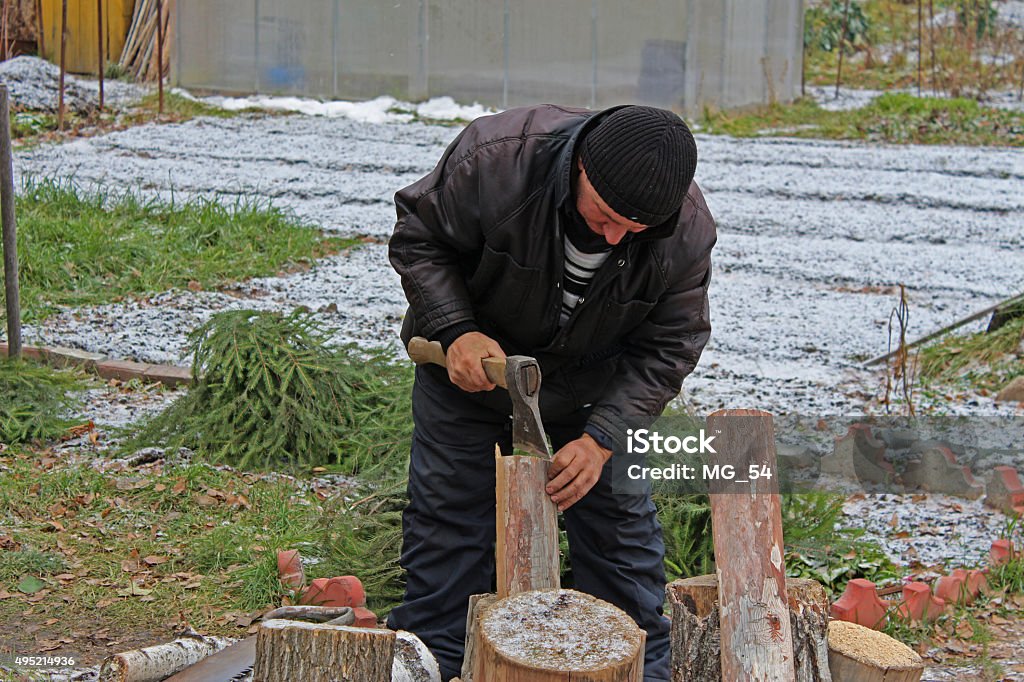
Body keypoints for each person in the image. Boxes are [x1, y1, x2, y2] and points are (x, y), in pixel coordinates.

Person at [386, 103, 716, 682]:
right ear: (582, 166)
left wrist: (605, 439)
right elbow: (420, 239)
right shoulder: (495, 162)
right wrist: (454, 328)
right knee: (449, 529)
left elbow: (671, 345)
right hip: (473, 374)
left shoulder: (683, 232)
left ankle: (637, 672)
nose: (614, 235)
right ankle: (434, 664)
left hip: (597, 391)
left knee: (622, 538)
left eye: (633, 230)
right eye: (606, 215)